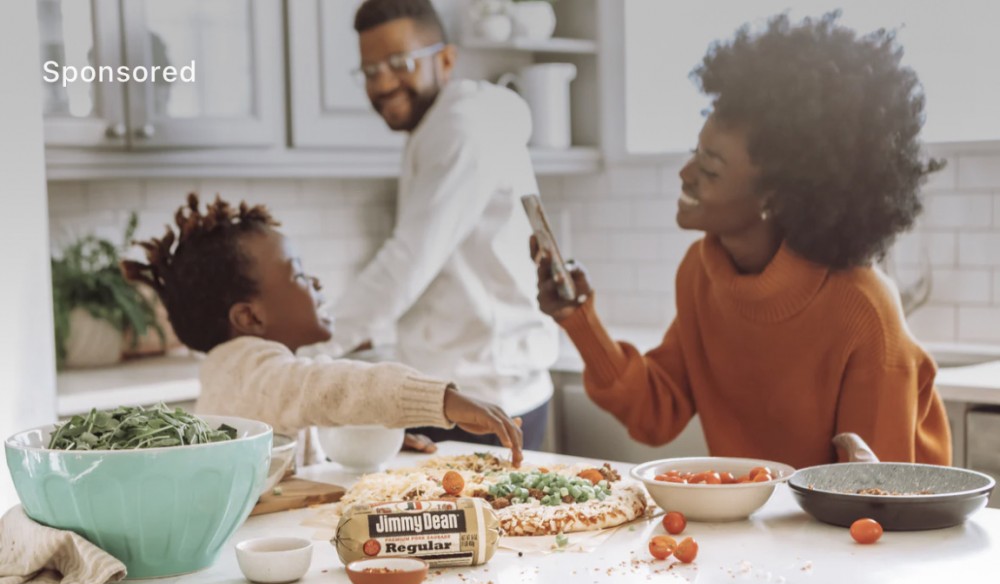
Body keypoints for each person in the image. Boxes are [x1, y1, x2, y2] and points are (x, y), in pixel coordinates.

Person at [533, 13, 951, 469]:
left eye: (710, 168)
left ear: (775, 196)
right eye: (696, 154)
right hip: (769, 527)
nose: (685, 174)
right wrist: (578, 319)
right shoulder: (702, 272)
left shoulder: (863, 312)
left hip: (863, 532)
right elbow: (657, 411)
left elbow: (875, 500)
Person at [121, 193, 524, 467]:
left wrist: (366, 439)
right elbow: (330, 388)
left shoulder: (239, 370)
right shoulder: (252, 368)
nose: (315, 283)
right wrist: (443, 399)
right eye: (298, 274)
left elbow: (299, 421)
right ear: (250, 318)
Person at [318, 0, 558, 452]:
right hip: (465, 389)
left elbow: (405, 264)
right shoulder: (436, 126)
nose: (383, 82)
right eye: (370, 71)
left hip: (483, 398)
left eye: (399, 63)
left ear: (446, 59)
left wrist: (304, 351)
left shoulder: (463, 127)